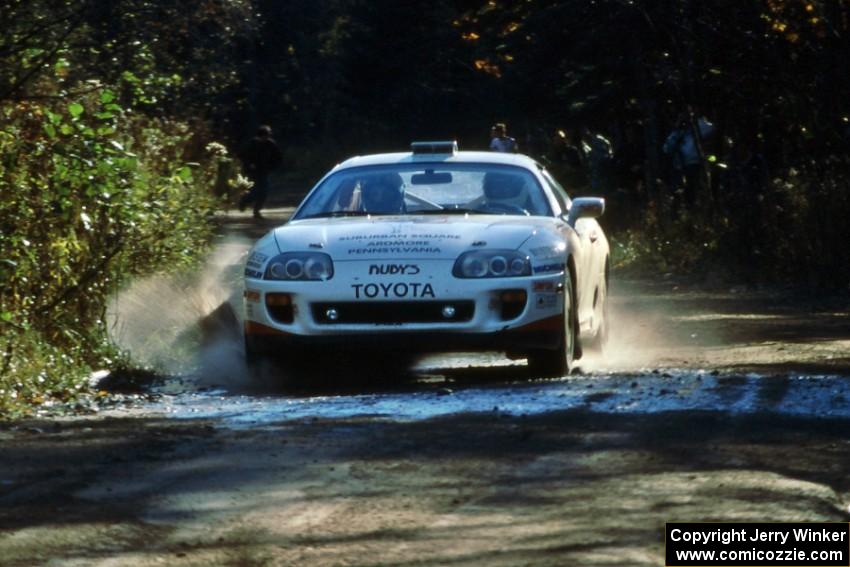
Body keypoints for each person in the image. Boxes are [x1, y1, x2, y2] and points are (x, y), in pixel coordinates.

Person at [662, 113, 715, 208]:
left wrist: (695, 122)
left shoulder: (698, 127)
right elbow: (667, 148)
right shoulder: (677, 133)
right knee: (682, 190)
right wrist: (678, 129)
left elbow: (711, 128)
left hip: (696, 164)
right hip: (681, 166)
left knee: (695, 188)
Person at [238, 125, 283, 218]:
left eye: (269, 135)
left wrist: (271, 167)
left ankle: (257, 211)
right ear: (261, 135)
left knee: (264, 191)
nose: (268, 137)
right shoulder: (251, 144)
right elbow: (242, 155)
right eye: (266, 135)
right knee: (254, 191)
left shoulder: (271, 144)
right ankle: (244, 201)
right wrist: (249, 164)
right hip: (252, 171)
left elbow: (278, 157)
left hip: (264, 171)